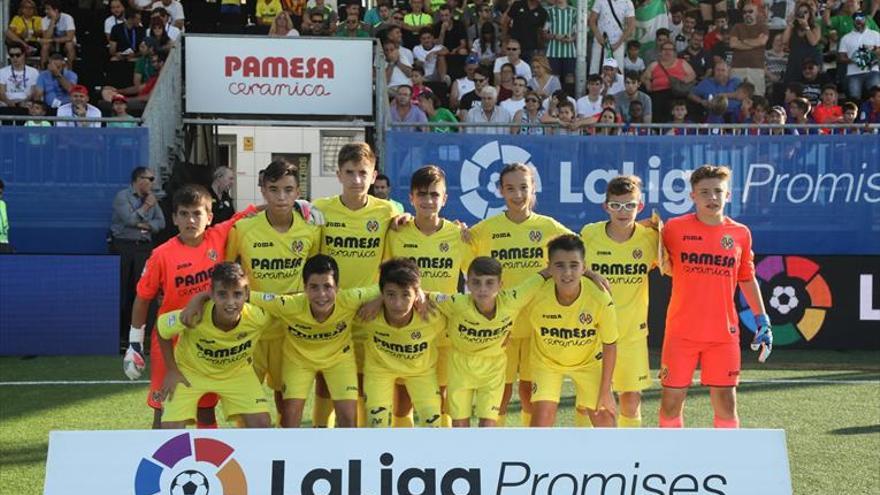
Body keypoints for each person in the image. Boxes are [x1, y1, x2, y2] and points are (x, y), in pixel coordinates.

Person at [122, 184, 256, 429]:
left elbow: (250, 213)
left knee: (205, 409)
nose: (191, 220)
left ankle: (210, 463)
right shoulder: (161, 255)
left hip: (206, 340)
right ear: (174, 218)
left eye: (197, 213)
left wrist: (299, 206)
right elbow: (143, 298)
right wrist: (134, 343)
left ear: (210, 217)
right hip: (170, 341)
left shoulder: (219, 235)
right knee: (164, 409)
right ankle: (160, 464)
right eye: (184, 214)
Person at [659, 165, 773, 429]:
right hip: (681, 333)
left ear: (728, 195)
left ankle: (727, 464)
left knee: (726, 403)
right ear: (692, 197)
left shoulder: (740, 233)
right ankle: (670, 462)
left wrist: (763, 319)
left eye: (717, 192)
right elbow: (647, 250)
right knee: (670, 403)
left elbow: (747, 278)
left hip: (723, 335)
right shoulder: (673, 229)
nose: (712, 198)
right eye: (704, 192)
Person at [469, 163, 573, 426]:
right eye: (510, 189)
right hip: (501, 327)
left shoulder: (549, 227)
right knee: (499, 392)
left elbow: (581, 250)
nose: (518, 195)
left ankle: (528, 450)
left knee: (530, 393)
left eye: (524, 187)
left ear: (533, 188)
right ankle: (497, 450)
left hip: (539, 326)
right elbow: (458, 246)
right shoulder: (486, 229)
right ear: (500, 191)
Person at [312, 143, 403, 427]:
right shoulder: (320, 209)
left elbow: (394, 266)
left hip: (368, 309)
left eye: (363, 173)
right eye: (349, 173)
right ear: (338, 174)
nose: (356, 180)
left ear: (374, 176)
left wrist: (379, 300)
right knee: (326, 378)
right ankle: (319, 433)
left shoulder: (387, 212)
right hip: (330, 309)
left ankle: (360, 442)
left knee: (363, 377)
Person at [224, 160, 322, 417]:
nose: (281, 197)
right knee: (246, 400)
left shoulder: (311, 231)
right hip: (250, 329)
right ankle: (246, 454)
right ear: (264, 191)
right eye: (274, 189)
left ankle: (287, 451)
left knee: (287, 398)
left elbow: (317, 278)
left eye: (288, 190)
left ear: (298, 193)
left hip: (291, 329)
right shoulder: (243, 229)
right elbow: (226, 274)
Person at [383, 165, 472, 427]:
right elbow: (385, 276)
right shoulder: (398, 232)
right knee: (403, 396)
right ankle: (403, 452)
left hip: (443, 329)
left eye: (434, 195)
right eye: (421, 194)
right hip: (405, 327)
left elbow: (475, 278)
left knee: (441, 394)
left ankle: (439, 458)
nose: (428, 200)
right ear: (411, 198)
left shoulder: (458, 235)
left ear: (444, 199)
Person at [431, 257, 547, 427]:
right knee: (460, 426)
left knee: (487, 426)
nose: (482, 289)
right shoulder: (456, 304)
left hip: (493, 370)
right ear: (467, 283)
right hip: (460, 368)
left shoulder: (512, 300)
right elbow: (421, 294)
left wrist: (590, 274)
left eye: (489, 283)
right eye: (476, 282)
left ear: (501, 284)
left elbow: (544, 274)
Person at [580, 176, 658, 428]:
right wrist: (591, 273)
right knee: (588, 402)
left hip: (631, 333)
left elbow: (671, 263)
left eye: (630, 206)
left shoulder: (651, 239)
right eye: (616, 205)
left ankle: (629, 458)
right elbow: (574, 266)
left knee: (631, 399)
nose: (623, 212)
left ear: (640, 207)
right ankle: (585, 459)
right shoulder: (590, 234)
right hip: (594, 333)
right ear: (606, 207)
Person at [157, 262, 274, 429]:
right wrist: (172, 370)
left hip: (236, 373)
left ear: (247, 293)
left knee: (262, 424)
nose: (230, 302)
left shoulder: (259, 317)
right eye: (222, 294)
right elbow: (162, 329)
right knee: (170, 429)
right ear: (211, 293)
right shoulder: (195, 314)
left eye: (237, 294)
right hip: (191, 373)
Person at [528, 234, 618, 427]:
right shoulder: (535, 294)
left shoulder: (600, 298)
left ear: (584, 267)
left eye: (574, 265)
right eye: (559, 265)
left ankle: (613, 458)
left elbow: (610, 344)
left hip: (588, 363)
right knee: (541, 422)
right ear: (549, 267)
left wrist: (605, 390)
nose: (567, 272)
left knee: (606, 420)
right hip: (547, 362)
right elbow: (507, 307)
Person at [355, 258, 445, 427]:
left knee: (433, 423)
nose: (398, 304)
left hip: (421, 371)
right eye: (390, 295)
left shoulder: (432, 315)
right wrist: (378, 300)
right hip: (379, 370)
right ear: (381, 293)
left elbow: (468, 303)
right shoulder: (367, 312)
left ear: (417, 294)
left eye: (406, 295)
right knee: (376, 424)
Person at [110, 166, 165, 349]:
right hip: (124, 246)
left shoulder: (152, 199)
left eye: (152, 179)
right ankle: (121, 336)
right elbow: (129, 220)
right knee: (123, 291)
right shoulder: (122, 197)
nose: (152, 182)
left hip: (144, 248)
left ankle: (144, 336)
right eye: (148, 179)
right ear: (138, 179)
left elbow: (161, 222)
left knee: (143, 292)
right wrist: (147, 206)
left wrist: (146, 225)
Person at [642, 41, 696, 123]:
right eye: (665, 49)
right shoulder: (654, 65)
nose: (667, 52)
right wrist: (647, 83)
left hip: (677, 93)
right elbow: (644, 77)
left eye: (670, 49)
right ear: (660, 52)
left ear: (674, 52)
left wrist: (682, 81)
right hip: (659, 94)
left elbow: (692, 75)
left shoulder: (682, 62)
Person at [838, 12, 880, 101]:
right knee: (854, 98)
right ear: (853, 21)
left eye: (862, 19)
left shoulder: (875, 34)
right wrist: (855, 60)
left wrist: (871, 52)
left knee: (876, 96)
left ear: (866, 20)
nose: (859, 22)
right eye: (857, 20)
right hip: (853, 73)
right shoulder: (846, 38)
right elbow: (841, 57)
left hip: (872, 70)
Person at [729, 2, 769, 96]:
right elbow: (733, 44)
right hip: (737, 67)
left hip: (756, 68)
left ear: (756, 13)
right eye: (744, 12)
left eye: (750, 11)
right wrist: (755, 42)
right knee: (735, 96)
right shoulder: (737, 26)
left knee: (757, 97)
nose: (747, 14)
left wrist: (743, 41)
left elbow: (762, 42)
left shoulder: (762, 27)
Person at [588, 0, 635, 74]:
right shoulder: (600, 1)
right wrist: (599, 37)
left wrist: (618, 44)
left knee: (616, 73)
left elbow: (631, 26)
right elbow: (592, 21)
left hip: (617, 43)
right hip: (600, 43)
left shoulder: (628, 2)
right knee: (596, 71)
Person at [783, 1, 822, 84]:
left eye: (805, 12)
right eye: (800, 12)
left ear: (810, 14)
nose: (803, 14)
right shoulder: (794, 27)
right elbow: (784, 40)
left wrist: (806, 26)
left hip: (810, 61)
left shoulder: (815, 26)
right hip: (795, 61)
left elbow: (813, 42)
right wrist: (789, 24)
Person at [544, 0, 576, 87]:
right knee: (554, 77)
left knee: (570, 76)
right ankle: (555, 98)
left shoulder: (573, 11)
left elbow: (578, 32)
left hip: (569, 52)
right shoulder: (550, 11)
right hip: (553, 52)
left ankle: (569, 97)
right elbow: (545, 33)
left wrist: (572, 39)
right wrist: (555, 36)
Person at [40, 0, 77, 69]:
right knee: (45, 46)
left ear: (56, 10)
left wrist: (51, 40)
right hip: (52, 45)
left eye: (48, 9)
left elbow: (69, 37)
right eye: (45, 9)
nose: (45, 11)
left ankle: (70, 70)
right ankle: (43, 71)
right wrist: (53, 20)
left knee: (69, 45)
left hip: (65, 44)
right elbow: (46, 38)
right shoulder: (44, 20)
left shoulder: (67, 18)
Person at [0, 179, 11, 254]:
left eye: (1, 192)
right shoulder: (2, 204)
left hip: (4, 242)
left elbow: (5, 224)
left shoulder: (2, 204)